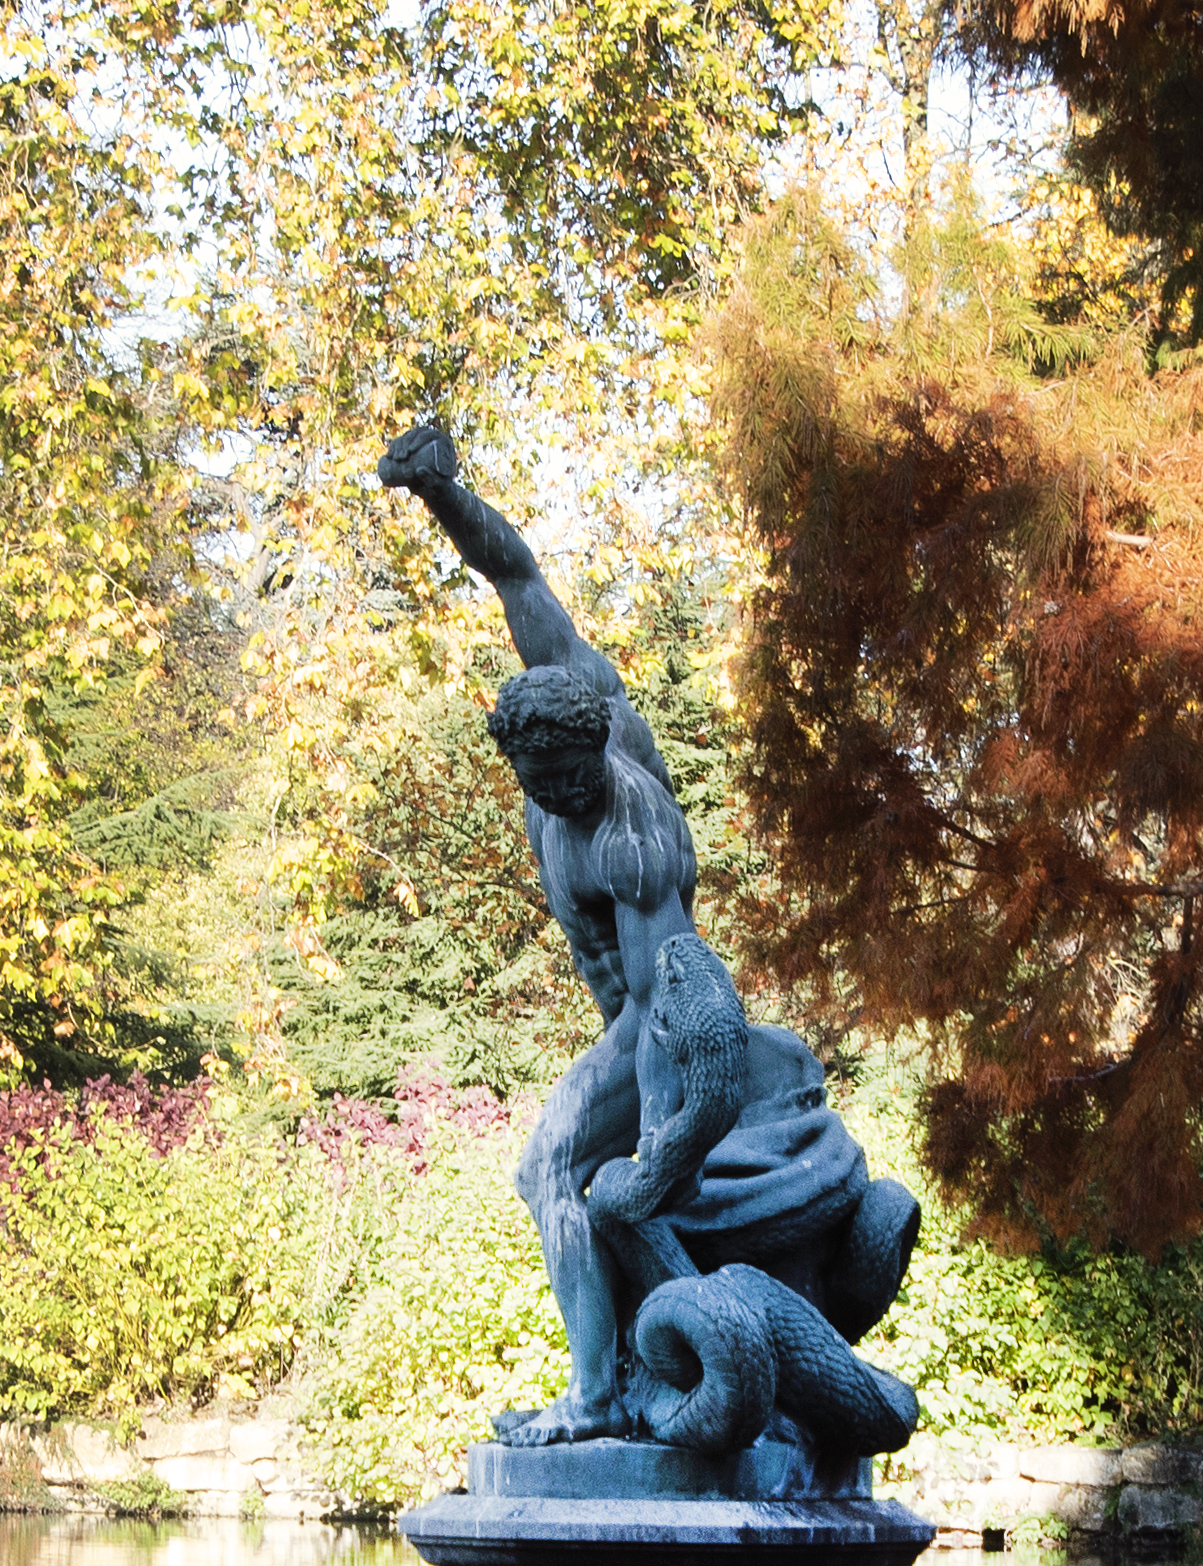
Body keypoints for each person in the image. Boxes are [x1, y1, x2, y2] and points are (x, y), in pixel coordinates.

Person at [373, 420, 918, 1441]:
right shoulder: (569, 684)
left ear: (592, 748)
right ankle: (624, 1372)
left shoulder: (629, 836)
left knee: (551, 1168)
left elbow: (660, 996)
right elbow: (516, 570)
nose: (558, 794)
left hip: (653, 1023)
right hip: (638, 1022)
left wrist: (655, 1147)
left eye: (569, 778)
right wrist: (445, 495)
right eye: (539, 784)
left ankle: (595, 1397)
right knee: (577, 1182)